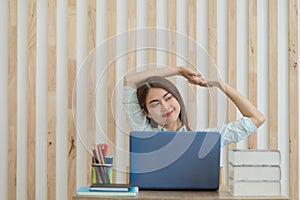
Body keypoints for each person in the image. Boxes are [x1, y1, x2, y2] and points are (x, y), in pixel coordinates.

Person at [123, 66, 265, 146]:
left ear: (177, 99)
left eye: (168, 98)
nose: (165, 107)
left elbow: (257, 118)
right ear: (147, 113)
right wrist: (178, 70)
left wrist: (221, 85)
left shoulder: (204, 141)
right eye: (155, 104)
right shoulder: (144, 132)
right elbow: (130, 80)